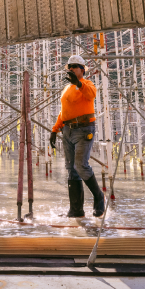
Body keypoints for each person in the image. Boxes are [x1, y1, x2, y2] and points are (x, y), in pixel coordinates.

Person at [49, 54, 104, 218]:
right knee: (71, 169)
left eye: (74, 66)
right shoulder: (67, 89)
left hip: (84, 129)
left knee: (81, 165)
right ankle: (76, 211)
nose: (71, 69)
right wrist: (55, 129)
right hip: (68, 130)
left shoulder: (87, 84)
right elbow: (64, 111)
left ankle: (99, 197)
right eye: (69, 67)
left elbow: (91, 94)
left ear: (82, 70)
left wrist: (78, 83)